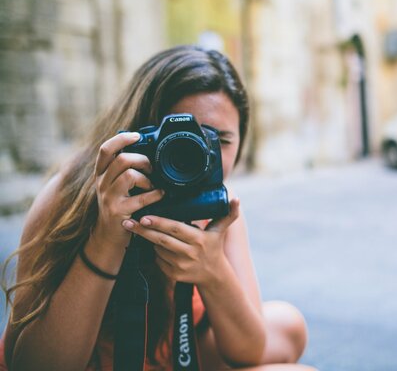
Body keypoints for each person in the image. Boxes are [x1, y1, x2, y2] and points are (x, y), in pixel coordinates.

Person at [1, 46, 313, 371]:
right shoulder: (72, 195)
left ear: (241, 142)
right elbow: (29, 365)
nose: (197, 156)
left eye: (217, 140)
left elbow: (248, 351)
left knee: (289, 325)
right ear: (138, 135)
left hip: (174, 352)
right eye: (182, 139)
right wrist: (107, 237)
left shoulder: (217, 206)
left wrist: (212, 270)